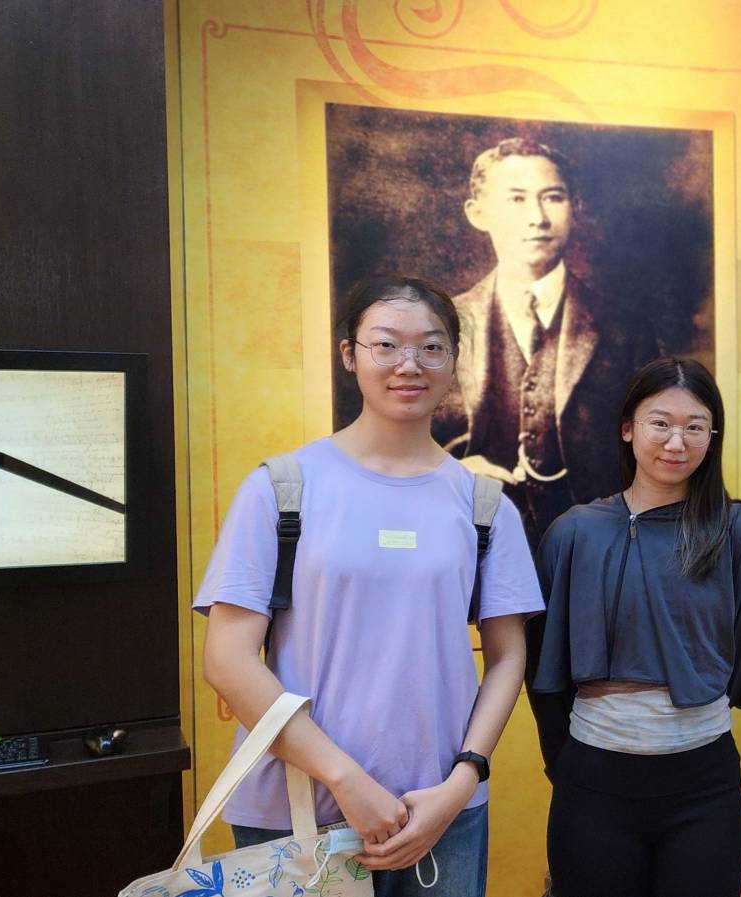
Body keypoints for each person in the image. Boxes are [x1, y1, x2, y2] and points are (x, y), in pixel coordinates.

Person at [195, 275, 544, 897]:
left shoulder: (485, 505)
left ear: (453, 360)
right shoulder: (281, 488)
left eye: (431, 347)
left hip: (439, 811)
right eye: (386, 344)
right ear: (349, 354)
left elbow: (507, 658)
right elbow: (227, 660)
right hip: (295, 809)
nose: (409, 364)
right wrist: (345, 779)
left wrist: (463, 780)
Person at [528, 357, 741, 897]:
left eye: (695, 427)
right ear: (628, 428)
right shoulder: (573, 533)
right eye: (660, 423)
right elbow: (543, 669)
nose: (676, 442)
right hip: (592, 780)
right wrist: (566, 765)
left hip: (704, 782)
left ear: (713, 437)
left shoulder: (739, 533)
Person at [439, 137, 656, 545]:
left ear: (576, 208)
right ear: (477, 213)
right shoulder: (443, 325)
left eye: (552, 198)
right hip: (471, 549)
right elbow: (399, 449)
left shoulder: (625, 329)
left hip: (595, 552)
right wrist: (448, 475)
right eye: (517, 199)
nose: (537, 218)